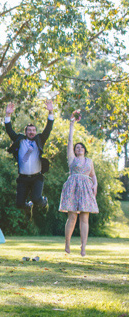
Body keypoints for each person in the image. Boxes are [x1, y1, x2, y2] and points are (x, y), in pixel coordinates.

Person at [59, 110, 98, 257]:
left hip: (86, 189)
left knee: (84, 218)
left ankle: (83, 247)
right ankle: (67, 243)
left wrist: (96, 184)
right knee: (72, 217)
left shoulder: (89, 161)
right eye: (77, 147)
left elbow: (93, 175)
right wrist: (71, 124)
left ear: (84, 150)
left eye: (81, 147)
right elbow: (70, 141)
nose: (79, 148)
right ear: (74, 151)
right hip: (72, 187)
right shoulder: (71, 159)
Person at [4, 100, 54, 213]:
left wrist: (50, 111)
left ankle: (44, 202)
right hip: (23, 178)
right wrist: (8, 115)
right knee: (19, 204)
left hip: (37, 177)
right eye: (29, 131)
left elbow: (48, 128)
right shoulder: (20, 140)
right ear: (25, 132)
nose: (31, 132)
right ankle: (28, 207)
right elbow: (9, 130)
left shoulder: (39, 140)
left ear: (36, 132)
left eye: (33, 130)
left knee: (36, 199)